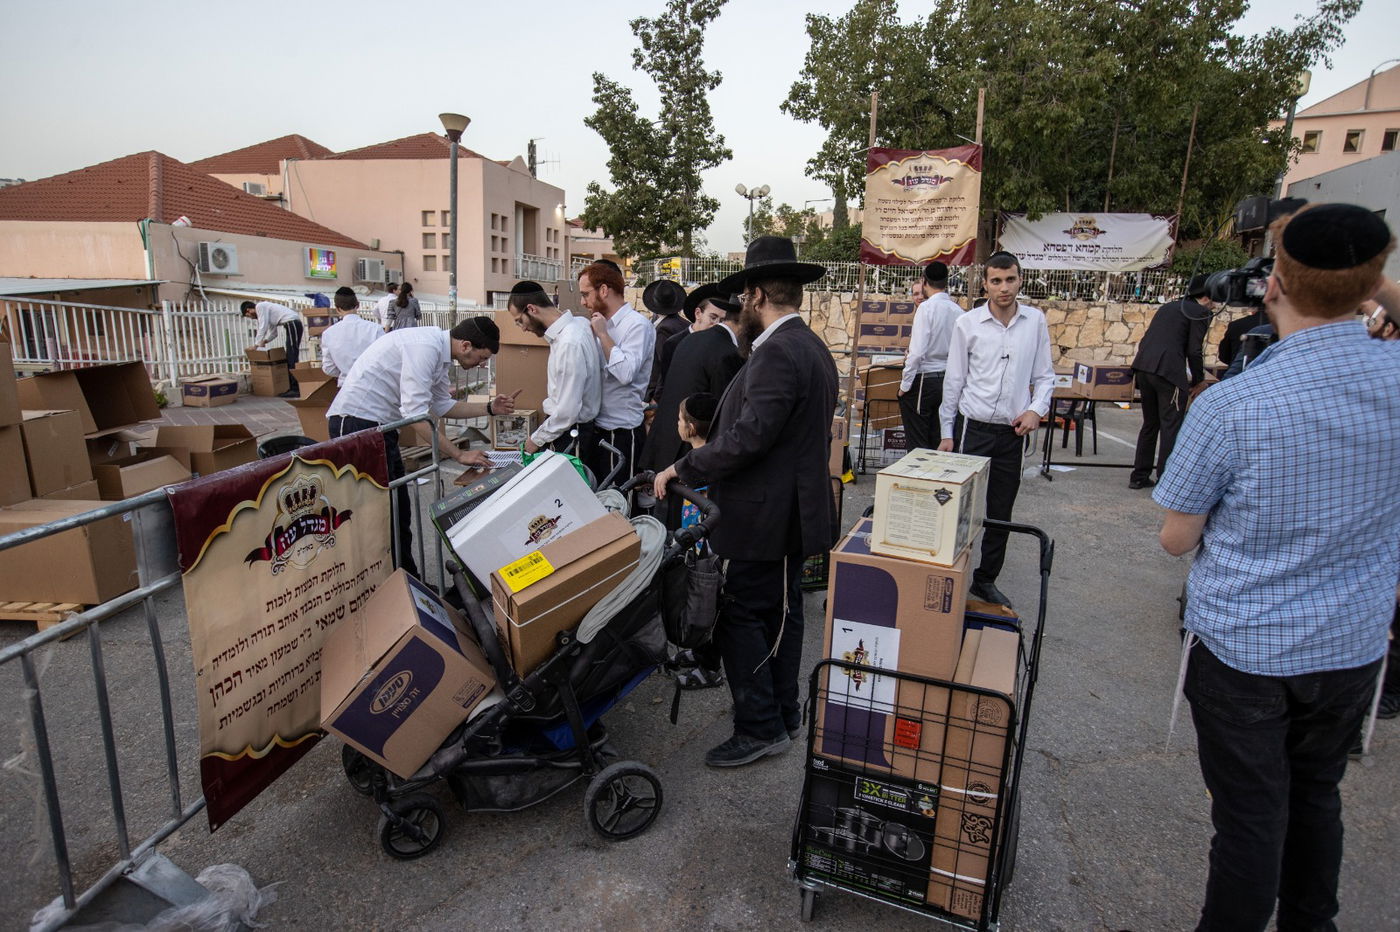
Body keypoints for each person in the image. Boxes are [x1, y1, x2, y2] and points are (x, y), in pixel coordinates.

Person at [1154, 203, 1400, 932]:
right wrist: (1374, 292)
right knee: (1317, 795)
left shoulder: (1234, 403)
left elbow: (1176, 537)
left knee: (1250, 820)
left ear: (1271, 284)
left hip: (1246, 651)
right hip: (1352, 646)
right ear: (1372, 283)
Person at [653, 235, 838, 768]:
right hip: (787, 512)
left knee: (743, 616)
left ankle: (760, 726)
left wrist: (683, 465)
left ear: (756, 295)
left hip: (767, 515)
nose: (739, 313)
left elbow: (750, 437)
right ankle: (782, 714)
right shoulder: (808, 344)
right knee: (781, 614)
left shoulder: (780, 350)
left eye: (742, 302)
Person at [326, 317, 515, 578]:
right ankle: (382, 585)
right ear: (466, 346)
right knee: (376, 515)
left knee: (398, 512)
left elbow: (441, 406)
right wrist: (458, 454)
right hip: (357, 425)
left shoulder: (439, 352)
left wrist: (489, 408)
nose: (482, 365)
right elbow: (415, 415)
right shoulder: (424, 347)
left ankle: (408, 582)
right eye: (482, 358)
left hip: (380, 427)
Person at [937, 251, 1055, 608]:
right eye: (996, 281)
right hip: (973, 429)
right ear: (985, 283)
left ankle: (984, 580)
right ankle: (948, 575)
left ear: (1020, 280)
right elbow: (954, 381)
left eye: (1011, 279)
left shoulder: (1034, 322)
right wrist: (947, 431)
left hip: (1012, 434)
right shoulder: (967, 324)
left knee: (1000, 512)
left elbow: (1045, 377)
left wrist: (1036, 409)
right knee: (960, 508)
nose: (1004, 288)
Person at [638, 287, 742, 477]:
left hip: (666, 448)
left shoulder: (689, 340)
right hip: (687, 454)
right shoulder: (728, 353)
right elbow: (724, 414)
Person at [1128, 274, 1215, 489]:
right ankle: (1166, 479)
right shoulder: (1199, 312)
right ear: (1206, 296)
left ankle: (1139, 475)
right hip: (1168, 372)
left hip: (1144, 367)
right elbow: (1194, 350)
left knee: (1150, 424)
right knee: (1171, 426)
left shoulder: (1169, 307)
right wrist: (1198, 380)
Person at [505, 280, 603, 455]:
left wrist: (535, 440)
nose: (523, 329)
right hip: (571, 429)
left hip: (569, 432)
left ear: (532, 309)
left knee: (565, 482)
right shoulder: (579, 324)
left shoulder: (569, 342)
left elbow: (567, 411)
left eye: (520, 321)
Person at [579, 261, 654, 484]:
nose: (583, 302)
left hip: (622, 431)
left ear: (604, 290)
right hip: (596, 427)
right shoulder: (599, 323)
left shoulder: (637, 325)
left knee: (619, 503)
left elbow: (625, 373)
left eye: (586, 294)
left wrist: (603, 336)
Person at [898, 261, 962, 450]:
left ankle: (917, 478)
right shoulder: (957, 311)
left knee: (917, 443)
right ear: (946, 282)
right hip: (947, 380)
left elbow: (917, 352)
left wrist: (904, 385)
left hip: (925, 379)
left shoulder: (926, 309)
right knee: (938, 438)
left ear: (925, 282)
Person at [651, 283, 731, 403]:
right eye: (713, 318)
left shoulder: (725, 346)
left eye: (722, 320)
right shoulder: (673, 343)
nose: (717, 324)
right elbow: (665, 383)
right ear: (698, 313)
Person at [320, 287, 383, 385]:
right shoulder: (375, 329)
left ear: (337, 309)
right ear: (358, 305)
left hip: (346, 385)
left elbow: (328, 368)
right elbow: (384, 360)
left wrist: (346, 372)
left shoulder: (328, 334)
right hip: (373, 384)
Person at [241, 300, 304, 398]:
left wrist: (256, 345)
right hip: (291, 325)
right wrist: (265, 341)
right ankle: (293, 387)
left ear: (249, 310)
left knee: (292, 356)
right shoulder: (267, 312)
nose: (251, 318)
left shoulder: (260, 307)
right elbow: (274, 333)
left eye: (248, 316)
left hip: (293, 324)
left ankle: (295, 389)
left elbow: (263, 327)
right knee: (290, 356)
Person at [642, 279, 690, 402]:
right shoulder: (685, 324)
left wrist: (656, 398)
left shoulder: (663, 329)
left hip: (662, 393)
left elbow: (664, 366)